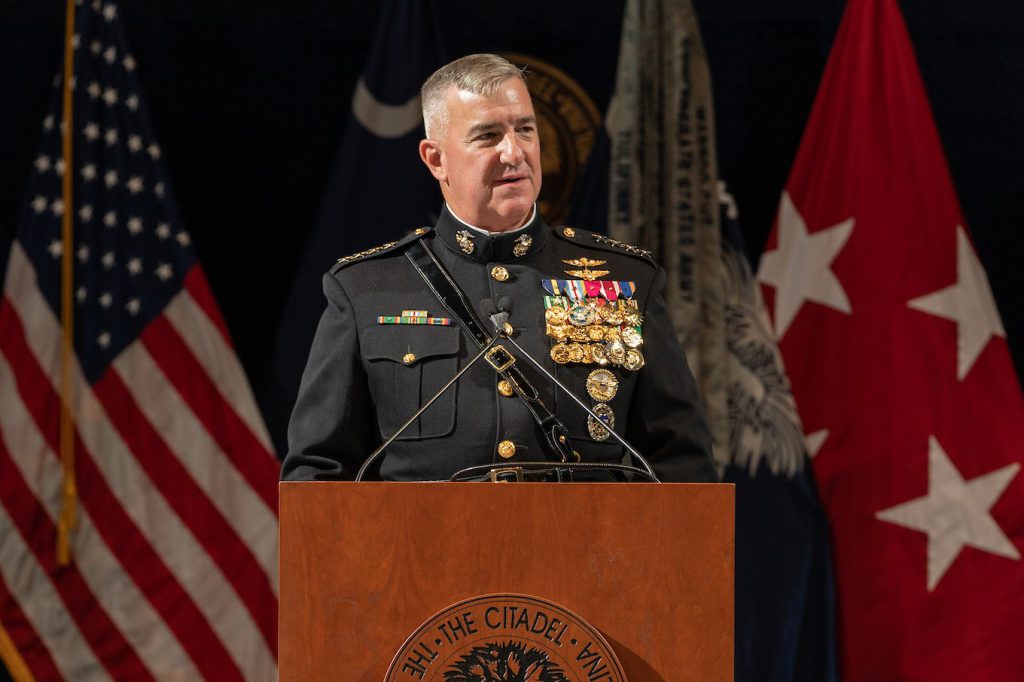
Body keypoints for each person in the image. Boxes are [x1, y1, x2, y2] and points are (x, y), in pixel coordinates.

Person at [281, 54, 716, 483]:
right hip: (421, 552)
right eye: (488, 136)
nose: (514, 153)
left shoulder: (627, 279)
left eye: (525, 129)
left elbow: (681, 464)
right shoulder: (367, 289)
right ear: (436, 159)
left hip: (584, 551)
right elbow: (320, 474)